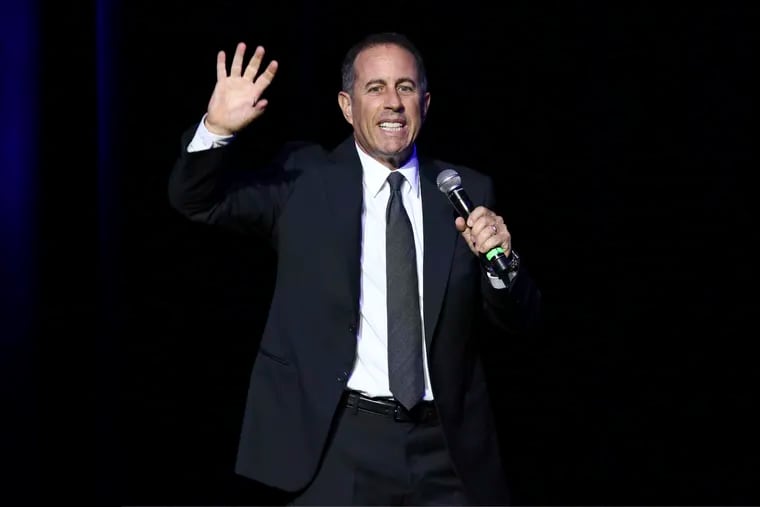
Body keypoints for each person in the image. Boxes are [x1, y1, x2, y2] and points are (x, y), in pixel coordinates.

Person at [168, 31, 542, 506]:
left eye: (405, 88)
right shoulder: (303, 179)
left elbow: (522, 320)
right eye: (376, 88)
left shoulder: (466, 191)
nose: (393, 103)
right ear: (347, 106)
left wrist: (499, 265)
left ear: (425, 103)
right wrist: (216, 129)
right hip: (338, 444)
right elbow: (196, 201)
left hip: (445, 450)